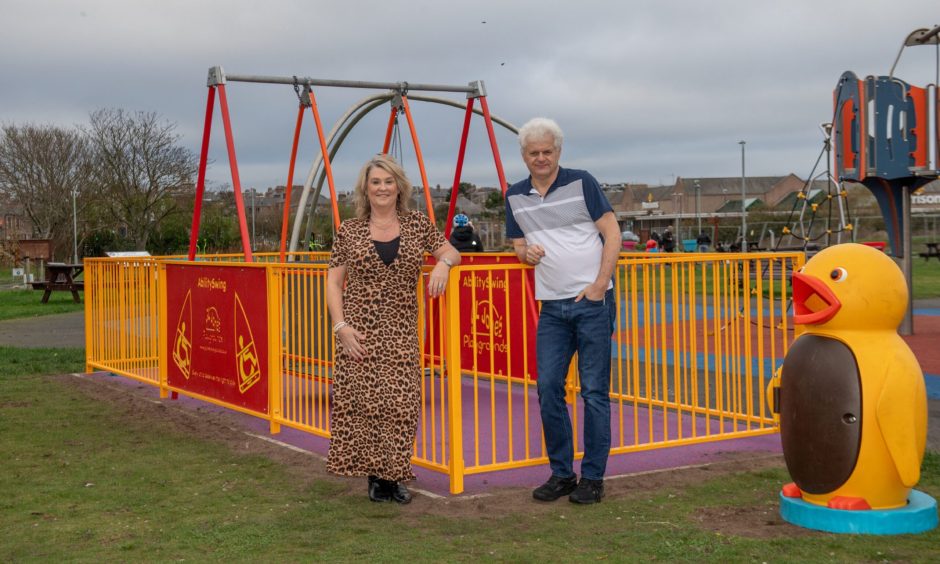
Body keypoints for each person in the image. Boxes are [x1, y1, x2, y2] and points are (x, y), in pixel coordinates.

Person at [326, 154, 461, 504]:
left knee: (401, 406)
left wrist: (443, 264)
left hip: (401, 330)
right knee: (366, 404)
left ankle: (395, 474)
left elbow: (451, 251)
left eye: (388, 182)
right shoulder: (349, 230)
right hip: (358, 331)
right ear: (365, 189)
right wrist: (341, 327)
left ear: (399, 187)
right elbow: (333, 282)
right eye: (376, 182)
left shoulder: (417, 224)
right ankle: (376, 479)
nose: (382, 188)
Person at [504, 117, 620, 504]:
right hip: (551, 305)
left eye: (547, 151)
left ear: (559, 152)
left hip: (592, 303)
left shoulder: (581, 181)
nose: (541, 158)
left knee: (594, 392)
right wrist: (526, 254)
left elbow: (613, 232)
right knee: (548, 387)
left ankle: (593, 478)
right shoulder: (514, 195)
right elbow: (519, 247)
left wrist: (599, 285)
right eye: (534, 152)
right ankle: (561, 473)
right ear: (524, 155)